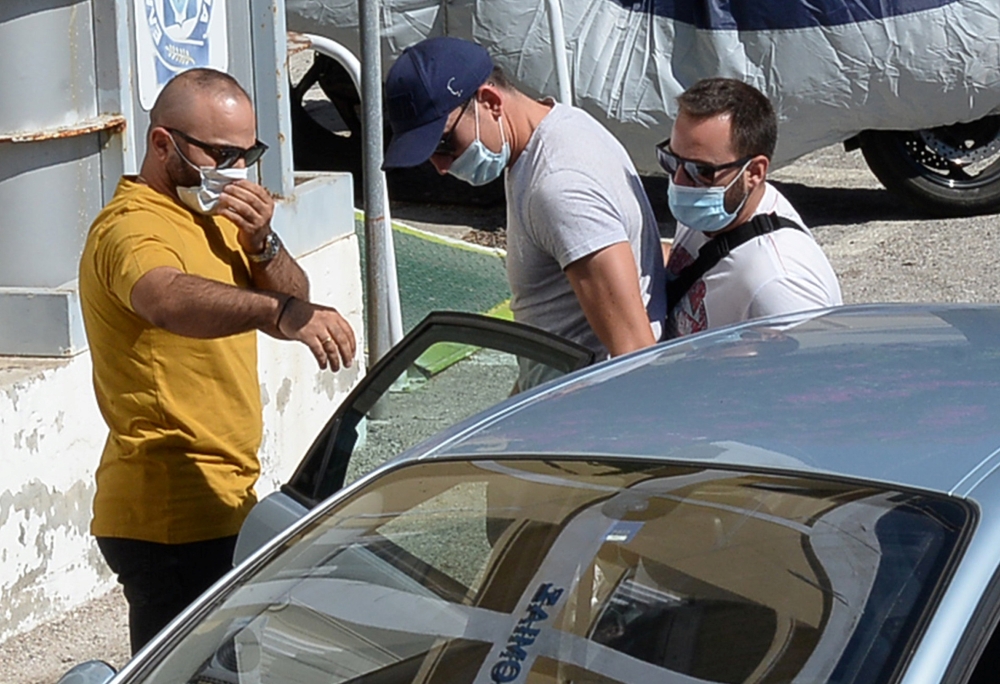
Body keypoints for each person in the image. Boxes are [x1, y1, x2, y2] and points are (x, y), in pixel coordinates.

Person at [78, 68, 356, 652]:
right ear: (163, 144)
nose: (236, 172)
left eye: (247, 154)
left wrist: (263, 243)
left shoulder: (220, 219)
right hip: (170, 511)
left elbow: (294, 296)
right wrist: (273, 313)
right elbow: (165, 298)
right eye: (221, 154)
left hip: (224, 496)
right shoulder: (130, 228)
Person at [382, 37, 666, 387]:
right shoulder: (558, 128)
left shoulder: (560, 187)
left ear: (490, 102)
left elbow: (634, 352)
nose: (440, 167)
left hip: (584, 417)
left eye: (444, 145)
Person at [659, 78, 842, 337]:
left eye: (700, 170)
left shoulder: (780, 285)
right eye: (672, 160)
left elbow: (809, 373)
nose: (678, 180)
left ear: (754, 172)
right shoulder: (714, 210)